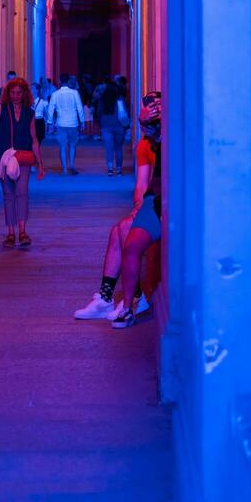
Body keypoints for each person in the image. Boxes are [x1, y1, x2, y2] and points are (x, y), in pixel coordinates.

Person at [74, 91, 163, 326]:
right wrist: (138, 208)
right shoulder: (145, 144)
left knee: (122, 231)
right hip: (152, 203)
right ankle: (114, 298)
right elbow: (142, 184)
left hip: (165, 205)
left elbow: (159, 138)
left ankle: (132, 297)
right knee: (119, 229)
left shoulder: (166, 137)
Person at [0, 76, 44, 248]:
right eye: (12, 93)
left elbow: (34, 139)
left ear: (24, 94)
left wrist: (40, 164)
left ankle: (23, 232)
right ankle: (11, 233)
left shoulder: (29, 113)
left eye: (19, 93)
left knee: (22, 192)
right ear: (8, 94)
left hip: (23, 157)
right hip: (3, 158)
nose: (15, 96)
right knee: (8, 195)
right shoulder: (1, 109)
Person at [47, 75, 85, 174]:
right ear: (68, 81)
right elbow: (79, 108)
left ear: (59, 81)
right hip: (73, 123)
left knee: (63, 147)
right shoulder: (74, 93)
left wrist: (50, 123)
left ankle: (64, 169)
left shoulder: (55, 94)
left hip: (60, 123)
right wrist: (82, 121)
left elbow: (51, 109)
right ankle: (72, 164)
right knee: (73, 145)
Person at [96, 75, 127, 176]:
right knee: (118, 148)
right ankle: (119, 170)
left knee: (109, 148)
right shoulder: (120, 99)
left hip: (106, 125)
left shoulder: (103, 99)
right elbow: (125, 113)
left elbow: (99, 113)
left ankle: (110, 169)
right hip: (119, 125)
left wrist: (101, 124)